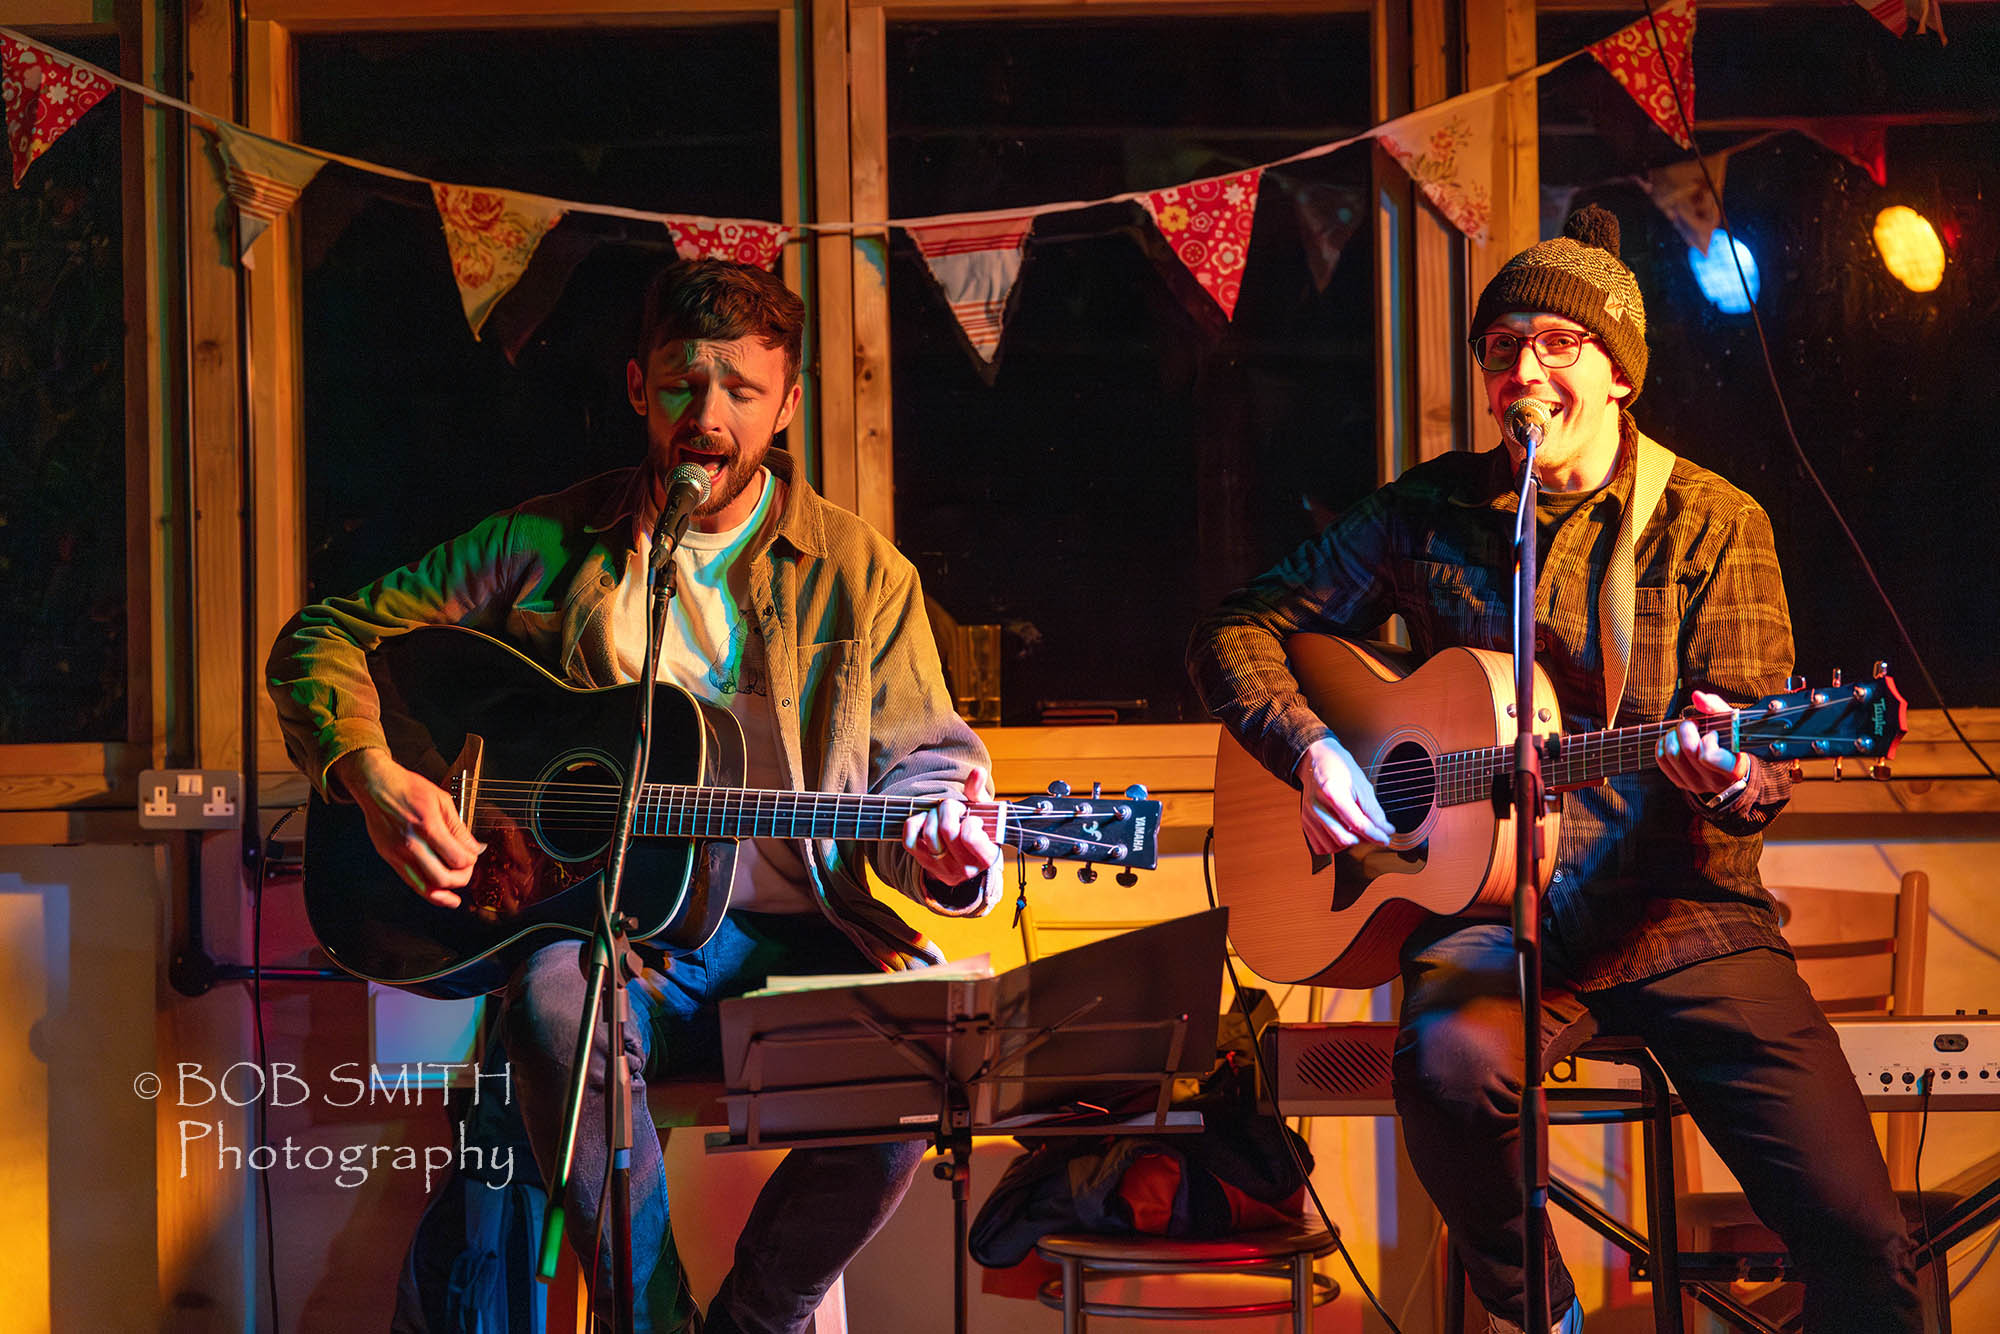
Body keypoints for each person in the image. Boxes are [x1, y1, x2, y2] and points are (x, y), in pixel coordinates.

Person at [1186, 206, 1919, 1333]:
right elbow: (1239, 626)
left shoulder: (1710, 520)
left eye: (1555, 344)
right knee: (1442, 1066)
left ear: (1619, 374)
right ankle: (1547, 1315)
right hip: (1489, 917)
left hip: (1683, 915)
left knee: (1865, 1240)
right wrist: (1315, 745)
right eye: (1499, 347)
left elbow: (1764, 780)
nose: (1520, 371)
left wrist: (1724, 769)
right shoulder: (1427, 512)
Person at [268, 258, 1004, 1333]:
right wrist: (369, 774)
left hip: (793, 942)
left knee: (919, 1055)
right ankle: (647, 1319)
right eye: (679, 386)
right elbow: (325, 636)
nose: (706, 418)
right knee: (551, 1004)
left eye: (740, 392)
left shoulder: (857, 570)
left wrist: (948, 851)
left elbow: (927, 765)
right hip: (619, 946)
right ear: (634, 387)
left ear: (786, 403)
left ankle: (757, 1320)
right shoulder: (540, 543)